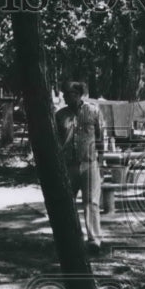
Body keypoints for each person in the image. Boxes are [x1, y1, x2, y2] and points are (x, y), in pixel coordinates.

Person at [55, 81, 106, 253]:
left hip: (90, 163)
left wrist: (102, 160)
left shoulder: (93, 111)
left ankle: (94, 240)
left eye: (67, 93)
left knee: (91, 202)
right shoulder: (60, 115)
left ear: (77, 95)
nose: (63, 96)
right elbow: (56, 141)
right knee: (66, 203)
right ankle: (70, 240)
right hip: (68, 165)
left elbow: (100, 138)